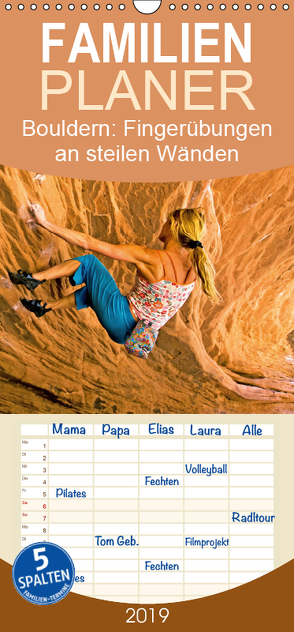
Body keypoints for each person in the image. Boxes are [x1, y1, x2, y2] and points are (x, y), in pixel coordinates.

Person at [9, 204, 221, 347]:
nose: (163, 224)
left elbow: (89, 243)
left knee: (91, 263)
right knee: (93, 292)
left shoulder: (152, 257)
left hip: (121, 317)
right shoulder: (196, 266)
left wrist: (45, 223)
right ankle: (45, 308)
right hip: (134, 336)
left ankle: (34, 278)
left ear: (174, 226)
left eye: (167, 221)